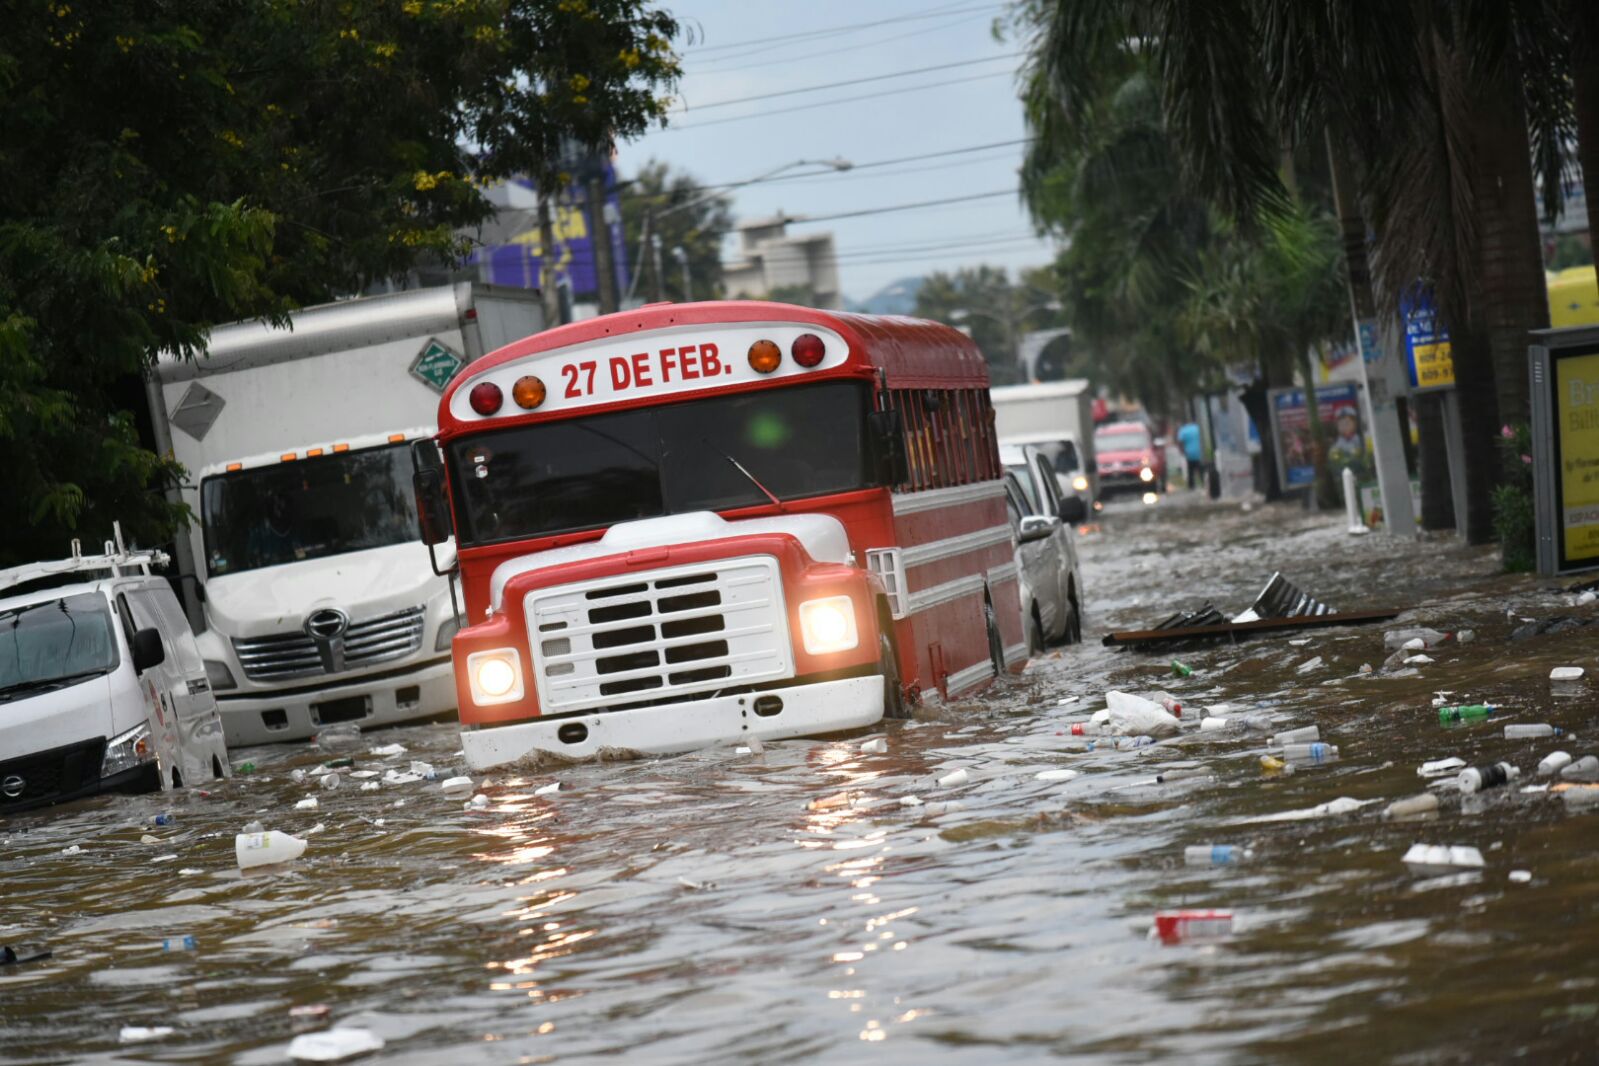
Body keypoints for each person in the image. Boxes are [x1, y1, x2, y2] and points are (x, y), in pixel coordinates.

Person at [1177, 421, 1204, 490]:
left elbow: (1180, 442)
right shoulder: (1197, 428)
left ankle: (1191, 485)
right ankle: (1204, 482)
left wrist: (1182, 451)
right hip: (1199, 452)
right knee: (1200, 469)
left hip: (1189, 453)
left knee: (1190, 470)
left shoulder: (1183, 430)